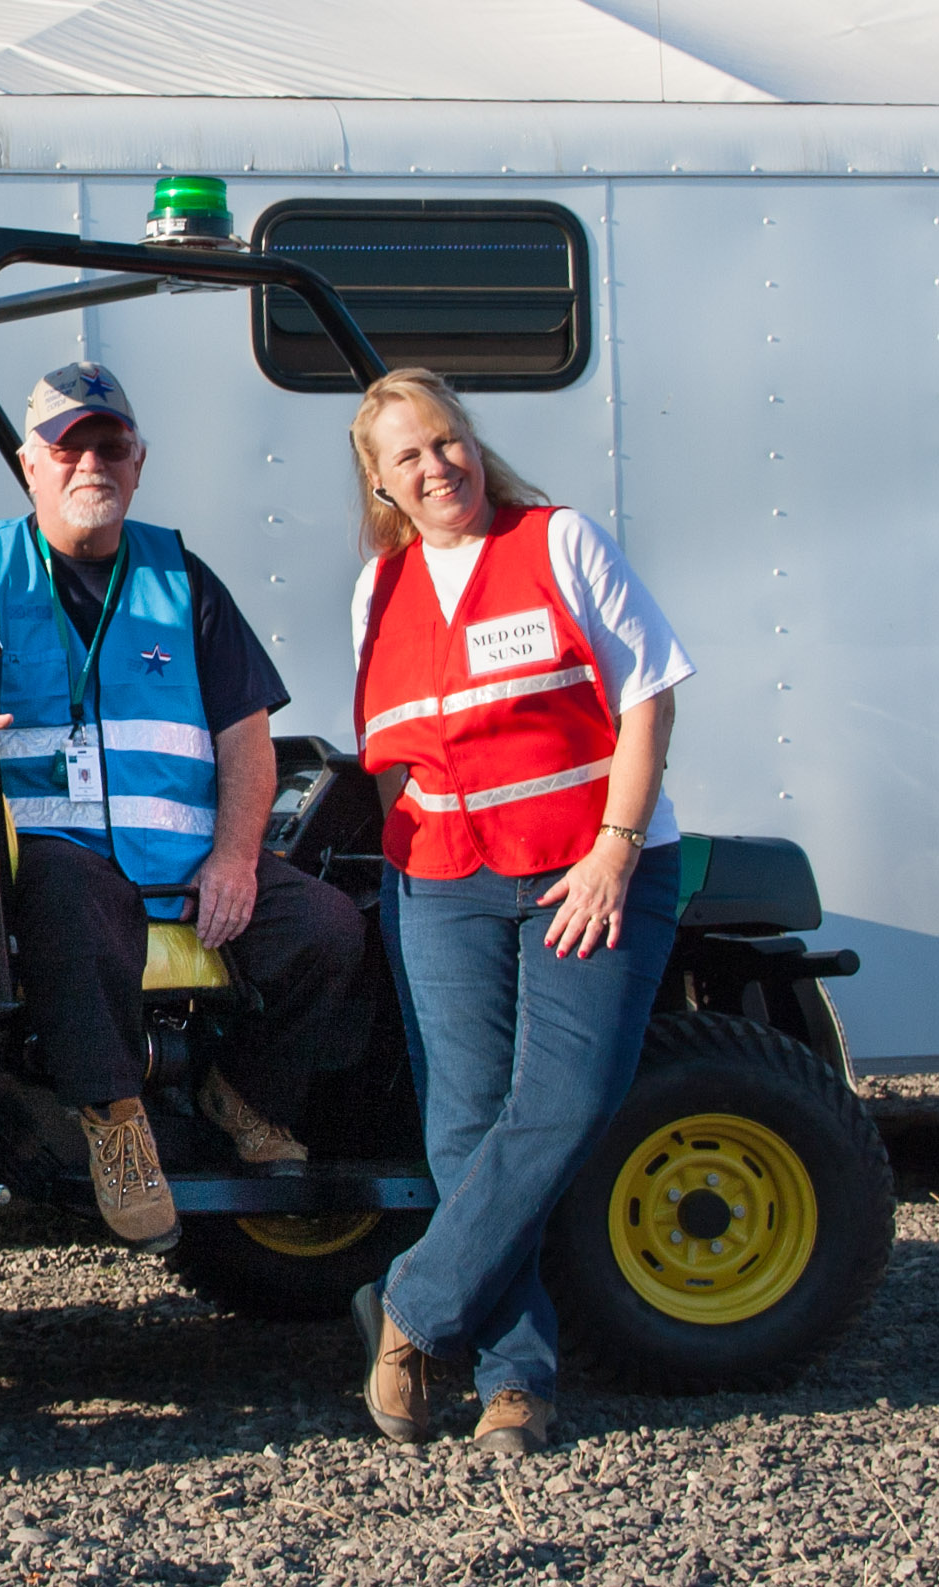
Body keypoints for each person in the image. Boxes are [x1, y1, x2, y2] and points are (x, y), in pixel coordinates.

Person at [0, 363, 366, 1253]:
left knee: (330, 931)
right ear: (31, 466)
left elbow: (245, 736)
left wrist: (233, 857)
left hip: (184, 859)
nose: (89, 465)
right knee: (77, 907)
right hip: (54, 851)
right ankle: (115, 1123)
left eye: (109, 446)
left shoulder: (182, 576)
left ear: (138, 462)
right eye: (68, 448)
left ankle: (245, 1096)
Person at [346, 368, 690, 1455]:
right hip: (443, 883)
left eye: (448, 440)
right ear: (383, 483)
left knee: (565, 1102)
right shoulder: (381, 588)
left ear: (472, 444)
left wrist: (614, 852)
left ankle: (410, 1307)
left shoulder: (560, 541)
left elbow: (649, 697)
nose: (437, 465)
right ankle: (514, 1382)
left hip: (588, 870)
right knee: (464, 1125)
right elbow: (395, 754)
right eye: (410, 456)